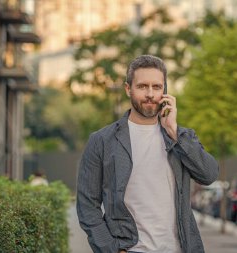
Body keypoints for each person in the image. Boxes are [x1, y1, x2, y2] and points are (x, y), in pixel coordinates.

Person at [76, 55, 219, 253]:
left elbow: (209, 174)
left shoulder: (181, 136)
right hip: (131, 248)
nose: (150, 94)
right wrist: (110, 249)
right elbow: (87, 205)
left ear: (165, 91)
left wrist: (174, 132)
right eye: (142, 86)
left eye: (157, 87)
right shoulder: (102, 141)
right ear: (128, 89)